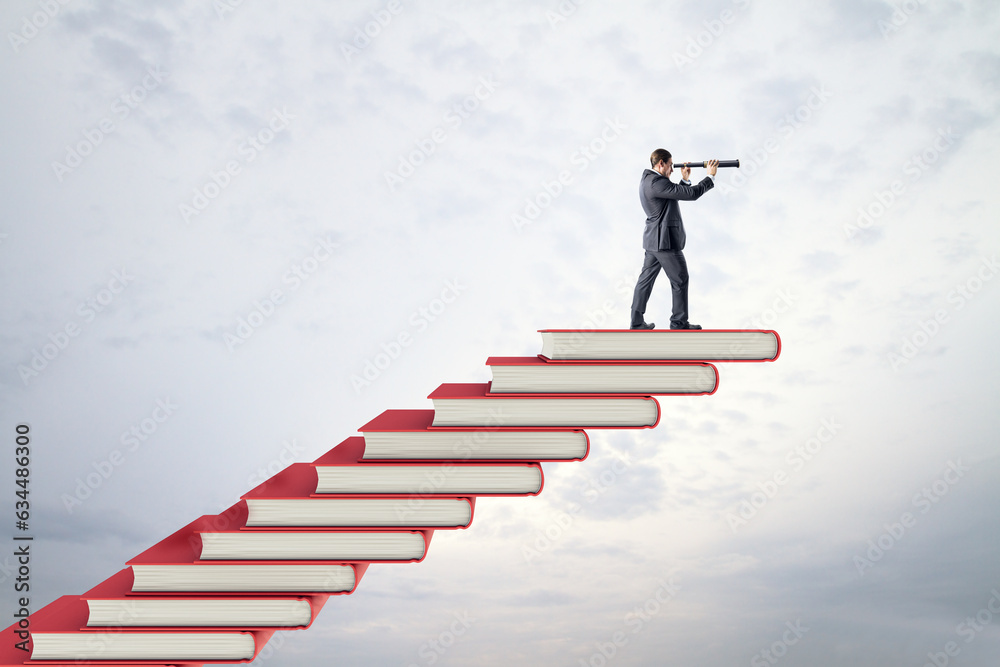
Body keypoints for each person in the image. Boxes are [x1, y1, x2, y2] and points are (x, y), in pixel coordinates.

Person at [629, 150, 718, 330]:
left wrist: (684, 180)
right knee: (680, 279)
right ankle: (679, 323)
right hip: (664, 242)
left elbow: (673, 194)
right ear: (660, 164)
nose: (672, 169)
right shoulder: (657, 182)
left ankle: (637, 322)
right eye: (670, 165)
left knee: (645, 280)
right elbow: (691, 194)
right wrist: (710, 177)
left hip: (654, 241)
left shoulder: (649, 180)